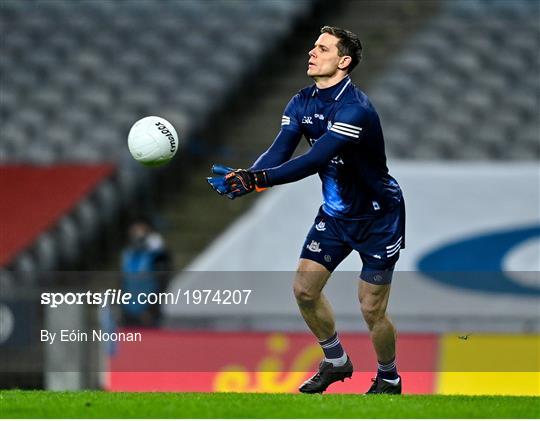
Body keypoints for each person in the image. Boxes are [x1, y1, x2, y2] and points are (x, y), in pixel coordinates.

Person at [207, 26, 405, 395]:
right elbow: (280, 151)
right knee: (304, 290)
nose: (312, 52)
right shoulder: (301, 101)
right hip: (336, 214)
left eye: (323, 48)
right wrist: (249, 176)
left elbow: (313, 160)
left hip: (379, 217)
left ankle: (389, 378)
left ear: (343, 62)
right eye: (313, 46)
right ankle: (336, 361)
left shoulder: (355, 108)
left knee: (370, 308)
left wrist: (257, 179)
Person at [120, 217, 171, 327]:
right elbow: (122, 283)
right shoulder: (127, 254)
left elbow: (162, 283)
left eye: (140, 230)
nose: (137, 233)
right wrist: (122, 308)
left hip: (149, 314)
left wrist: (151, 310)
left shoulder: (157, 254)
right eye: (134, 231)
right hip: (128, 313)